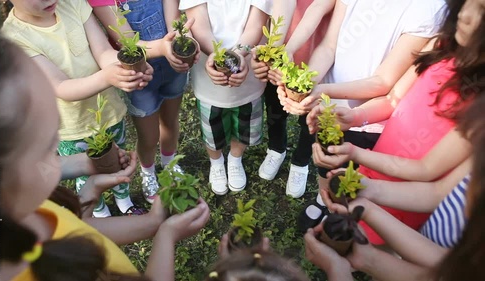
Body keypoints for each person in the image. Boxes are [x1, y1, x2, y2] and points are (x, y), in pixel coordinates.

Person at [0, 31, 210, 281]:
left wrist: (152, 221)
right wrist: (166, 238)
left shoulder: (17, 210)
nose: (59, 146)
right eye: (49, 147)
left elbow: (78, 228)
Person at [306, 0, 483, 243]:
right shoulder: (441, 46)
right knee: (348, 226)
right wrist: (355, 117)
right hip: (376, 164)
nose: (465, 15)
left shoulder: (479, 106)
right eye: (468, 2)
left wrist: (355, 154)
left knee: (372, 243)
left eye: (482, 10)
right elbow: (392, 100)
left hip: (406, 195)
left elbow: (426, 170)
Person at [276, 0, 446, 228]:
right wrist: (308, 84)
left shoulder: (427, 8)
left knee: (349, 173)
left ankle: (339, 209)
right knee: (325, 158)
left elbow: (383, 82)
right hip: (328, 105)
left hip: (369, 117)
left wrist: (320, 91)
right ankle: (322, 198)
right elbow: (329, 46)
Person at [1, 0, 154, 217]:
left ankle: (123, 199)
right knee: (87, 171)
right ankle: (98, 210)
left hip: (109, 111)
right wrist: (107, 77)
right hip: (73, 128)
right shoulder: (14, 38)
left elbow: (102, 51)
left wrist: (124, 70)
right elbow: (61, 87)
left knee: (119, 160)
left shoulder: (72, 3)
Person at [90, 0, 198, 204]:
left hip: (173, 64)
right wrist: (164, 47)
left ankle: (169, 162)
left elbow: (173, 18)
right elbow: (128, 42)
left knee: (170, 120)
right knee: (148, 135)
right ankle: (148, 171)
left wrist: (181, 38)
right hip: (139, 72)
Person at [179, 0, 271, 195]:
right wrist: (217, 56)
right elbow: (198, 23)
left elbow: (256, 24)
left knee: (244, 121)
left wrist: (238, 56)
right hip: (209, 71)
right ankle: (217, 162)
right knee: (212, 125)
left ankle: (235, 159)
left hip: (247, 72)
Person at [253, 0, 335, 199]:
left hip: (318, 53)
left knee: (309, 114)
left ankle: (301, 161)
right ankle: (276, 148)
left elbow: (319, 8)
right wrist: (276, 52)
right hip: (283, 41)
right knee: (274, 105)